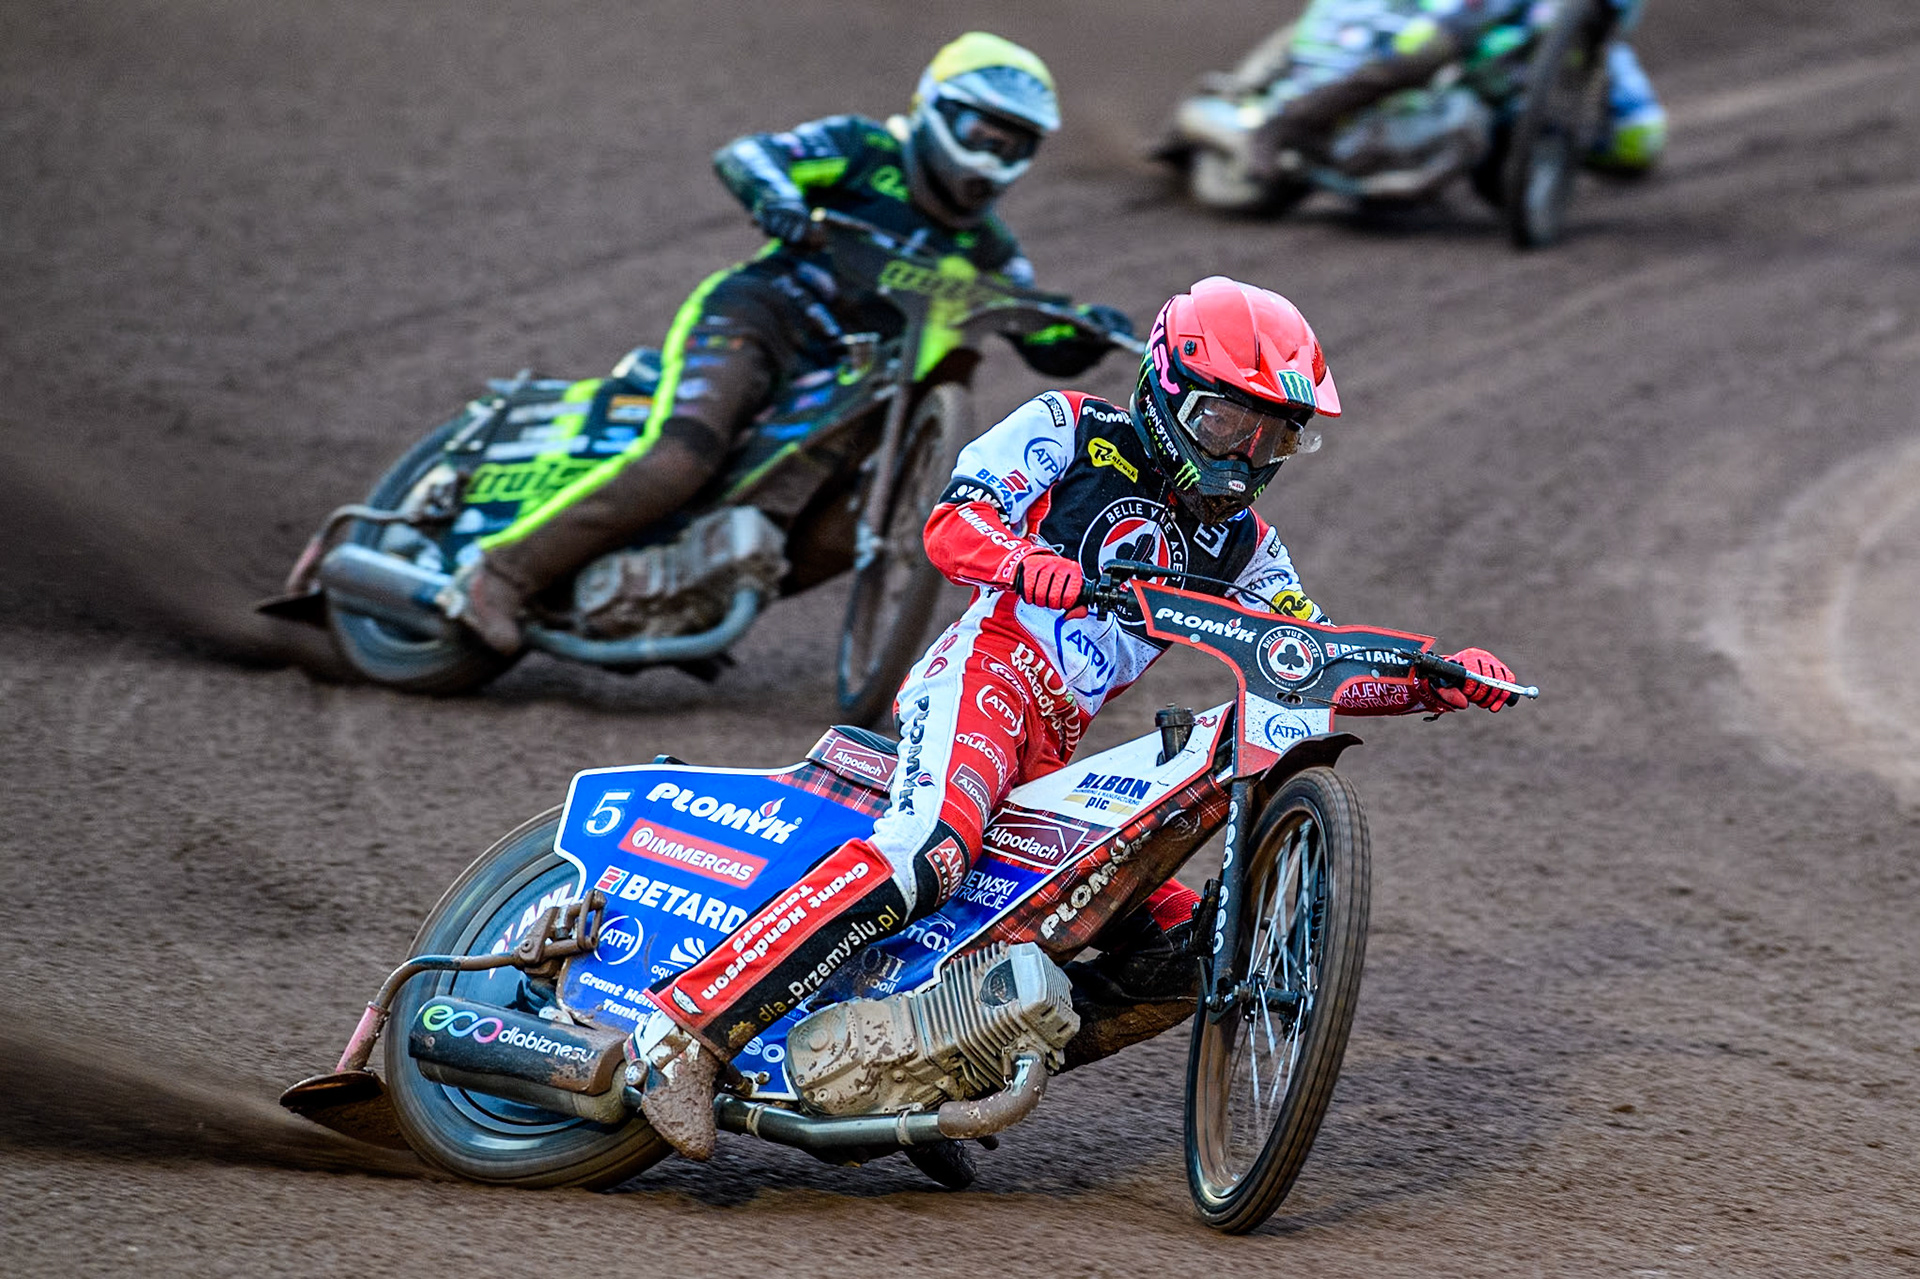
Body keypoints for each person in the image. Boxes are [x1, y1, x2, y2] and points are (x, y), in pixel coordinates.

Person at [624, 275, 1523, 1160]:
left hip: (1055, 744)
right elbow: (951, 525)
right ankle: (682, 1034)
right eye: (1226, 424)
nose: (1245, 456)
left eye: (1273, 435)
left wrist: (1428, 680)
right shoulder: (1069, 427)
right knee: (929, 851)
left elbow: (1307, 657)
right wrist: (1024, 562)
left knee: (1200, 952)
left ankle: (948, 1066)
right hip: (983, 678)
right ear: (1168, 390)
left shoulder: (1249, 549)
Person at [451, 32, 1127, 653]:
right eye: (982, 134)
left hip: (854, 386)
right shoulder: (866, 152)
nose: (992, 159)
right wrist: (776, 198)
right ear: (935, 109)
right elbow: (751, 157)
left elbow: (1039, 337)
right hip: (763, 319)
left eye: (1015, 147)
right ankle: (498, 576)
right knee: (682, 455)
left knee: (864, 524)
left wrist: (1085, 328)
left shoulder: (992, 251)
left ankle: (691, 591)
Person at [1241, 0, 1665, 178]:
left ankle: (1514, 156)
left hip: (1579, 36)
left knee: (1639, 138)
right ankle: (1287, 124)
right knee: (1426, 49)